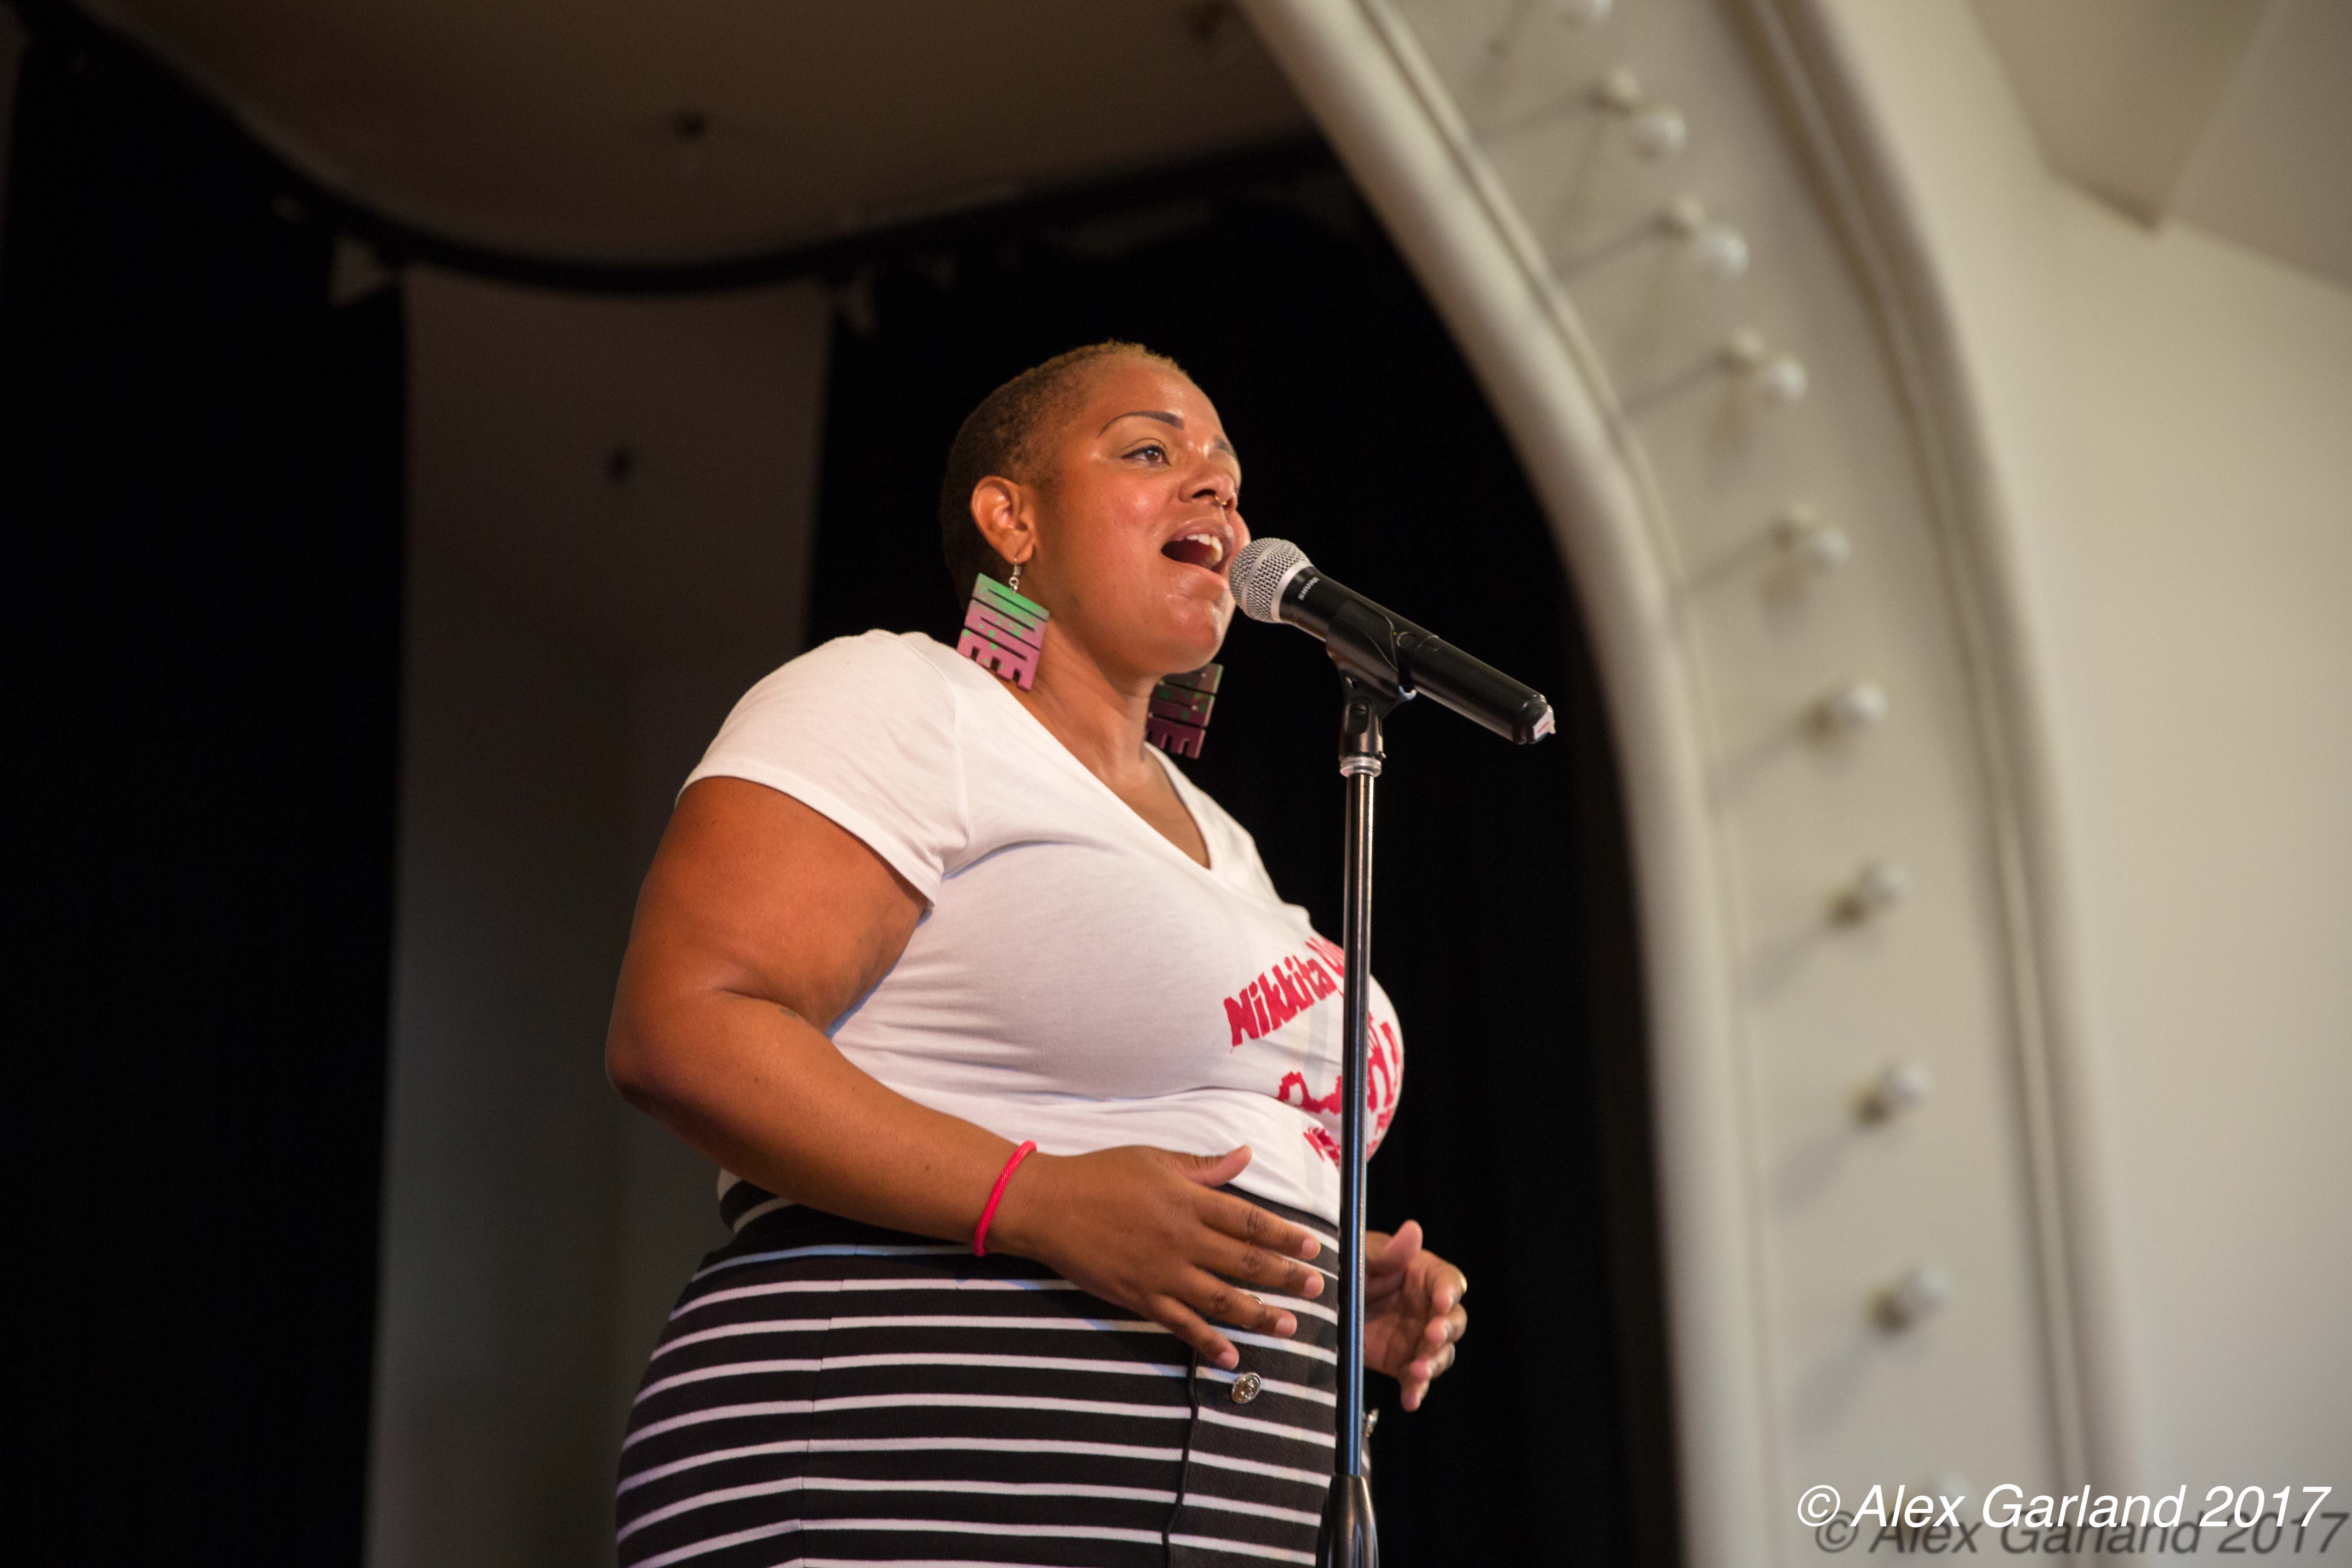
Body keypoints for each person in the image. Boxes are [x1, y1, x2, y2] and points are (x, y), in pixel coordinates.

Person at [606, 342, 1468, 1566]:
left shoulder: (1222, 839)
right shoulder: (902, 700)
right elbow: (684, 1027)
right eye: (1151, 451)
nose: (1216, 489)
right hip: (899, 1478)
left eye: (1228, 473)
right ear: (1011, 518)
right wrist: (1040, 1199)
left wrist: (1311, 1267)